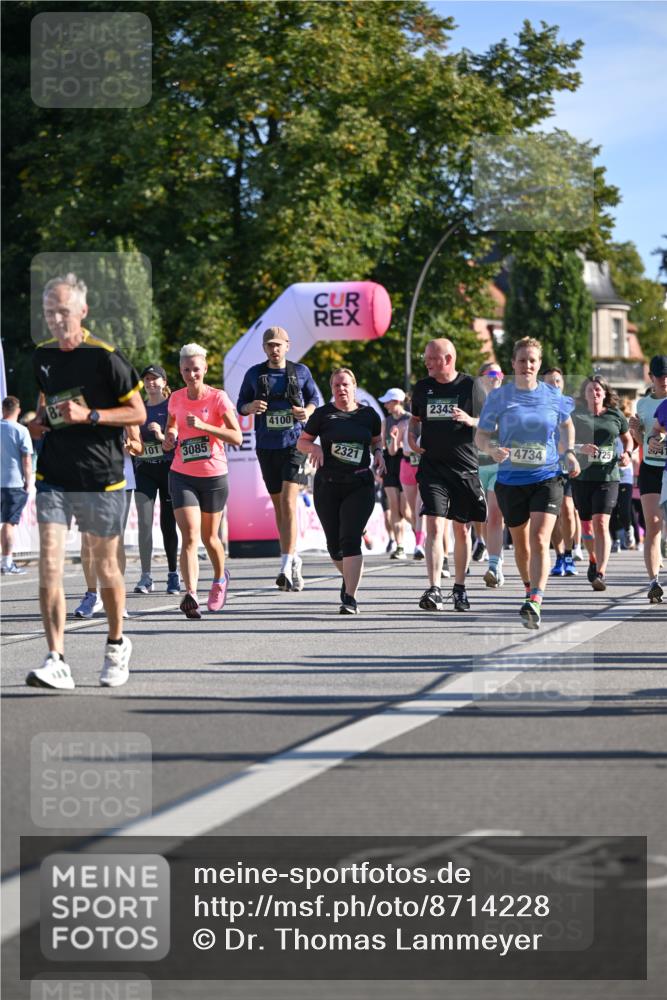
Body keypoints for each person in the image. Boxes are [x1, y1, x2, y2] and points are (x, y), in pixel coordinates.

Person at [25, 273, 145, 690]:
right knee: (50, 565)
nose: (56, 320)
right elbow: (47, 406)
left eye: (62, 311)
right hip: (54, 475)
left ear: (82, 311)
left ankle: (116, 644)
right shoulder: (41, 356)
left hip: (101, 476)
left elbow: (139, 414)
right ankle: (56, 657)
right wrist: (39, 422)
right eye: (48, 313)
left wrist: (91, 416)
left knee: (107, 566)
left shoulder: (106, 357)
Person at [476, 336, 580, 629]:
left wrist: (569, 452)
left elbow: (567, 424)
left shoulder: (552, 396)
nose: (527, 365)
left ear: (538, 364)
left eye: (532, 360)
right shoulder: (500, 397)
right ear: (513, 364)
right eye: (522, 360)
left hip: (547, 476)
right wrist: (491, 449)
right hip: (510, 479)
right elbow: (481, 435)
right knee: (520, 543)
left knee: (539, 539)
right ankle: (527, 587)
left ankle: (535, 598)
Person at [163, 343, 242, 619]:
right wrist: (170, 435)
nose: (192, 375)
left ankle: (220, 579)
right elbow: (172, 424)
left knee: (210, 538)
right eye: (186, 370)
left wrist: (206, 427)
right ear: (181, 371)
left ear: (205, 369)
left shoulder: (218, 398)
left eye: (196, 369)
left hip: (213, 476)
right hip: (182, 474)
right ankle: (191, 594)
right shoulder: (175, 398)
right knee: (190, 536)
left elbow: (237, 436)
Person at [297, 367, 384, 614]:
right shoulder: (323, 415)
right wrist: (314, 449)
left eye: (345, 384)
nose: (341, 389)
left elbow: (377, 439)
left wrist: (378, 453)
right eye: (336, 385)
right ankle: (349, 576)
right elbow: (301, 441)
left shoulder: (368, 415)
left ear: (354, 386)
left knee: (350, 539)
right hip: (328, 484)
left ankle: (350, 597)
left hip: (359, 483)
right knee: (334, 545)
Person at [237, 326, 318, 592]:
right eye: (270, 345)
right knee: (278, 506)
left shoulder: (300, 372)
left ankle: (284, 563)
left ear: (287, 346)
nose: (274, 350)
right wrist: (251, 407)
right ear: (264, 348)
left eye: (278, 345)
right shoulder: (254, 374)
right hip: (266, 445)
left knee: (287, 501)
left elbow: (315, 399)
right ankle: (293, 557)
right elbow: (240, 404)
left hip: (293, 444)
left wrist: (304, 411)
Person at [408, 338, 487, 612]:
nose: (427, 362)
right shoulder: (422, 387)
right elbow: (415, 419)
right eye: (426, 357)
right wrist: (410, 436)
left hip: (464, 468)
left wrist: (471, 420)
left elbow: (492, 422)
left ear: (448, 359)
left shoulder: (471, 386)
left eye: (432, 358)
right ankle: (434, 588)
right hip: (432, 468)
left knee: (461, 531)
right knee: (434, 526)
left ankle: (460, 588)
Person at [570, 376, 633, 590]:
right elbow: (564, 442)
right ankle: (593, 558)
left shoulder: (616, 415)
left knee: (601, 522)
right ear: (584, 394)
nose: (595, 393)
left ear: (605, 393)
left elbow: (628, 439)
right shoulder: (576, 416)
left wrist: (627, 453)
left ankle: (601, 572)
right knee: (586, 525)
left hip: (608, 477)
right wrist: (580, 448)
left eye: (598, 390)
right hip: (582, 476)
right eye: (590, 390)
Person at [129, 364, 180, 595]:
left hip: (169, 469)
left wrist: (161, 435)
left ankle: (172, 574)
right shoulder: (137, 408)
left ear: (164, 382)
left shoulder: (172, 406)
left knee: (168, 524)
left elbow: (179, 441)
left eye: (154, 379)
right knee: (145, 523)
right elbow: (132, 441)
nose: (150, 383)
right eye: (147, 379)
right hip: (145, 470)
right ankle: (146, 576)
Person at [629, 356, 667, 603]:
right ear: (651, 377)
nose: (665, 380)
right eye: (660, 375)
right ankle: (654, 581)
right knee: (652, 524)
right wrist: (636, 432)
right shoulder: (642, 404)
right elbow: (641, 442)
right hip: (651, 469)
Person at [543, 367, 579, 578]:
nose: (554, 385)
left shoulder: (570, 405)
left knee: (567, 508)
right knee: (552, 514)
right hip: (546, 465)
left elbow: (576, 431)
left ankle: (569, 554)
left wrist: (573, 453)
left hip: (566, 463)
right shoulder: (537, 405)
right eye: (550, 382)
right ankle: (558, 555)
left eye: (558, 381)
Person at [474, 361, 506, 588]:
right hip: (474, 464)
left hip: (499, 465)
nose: (497, 376)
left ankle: (495, 565)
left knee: (495, 514)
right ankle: (477, 546)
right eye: (492, 373)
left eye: (500, 373)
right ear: (482, 377)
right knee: (476, 515)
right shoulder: (471, 402)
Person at [1, 395, 34, 574]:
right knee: (9, 523)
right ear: (18, 410)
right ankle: (6, 562)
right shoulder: (21, 430)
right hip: (13, 483)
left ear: (3, 408)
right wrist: (28, 482)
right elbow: (26, 459)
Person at [379, 387, 412, 560]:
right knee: (393, 507)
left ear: (397, 401)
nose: (385, 405)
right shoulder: (386, 421)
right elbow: (385, 446)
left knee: (405, 509)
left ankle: (420, 534)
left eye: (388, 402)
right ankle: (400, 546)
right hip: (390, 465)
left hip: (406, 463)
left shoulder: (410, 419)